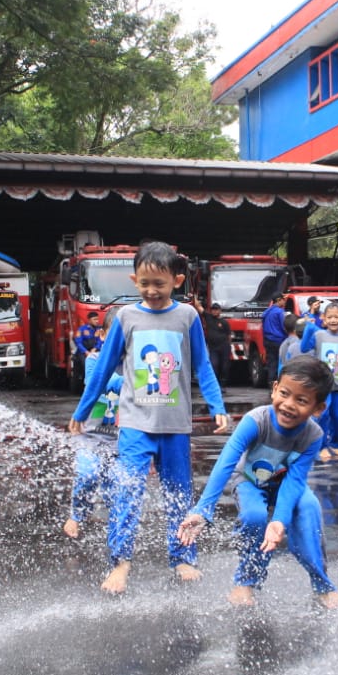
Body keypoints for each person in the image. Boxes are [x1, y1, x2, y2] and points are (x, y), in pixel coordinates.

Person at [69, 241, 230, 595]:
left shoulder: (187, 316)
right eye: (144, 284)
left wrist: (217, 406)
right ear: (134, 279)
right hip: (135, 426)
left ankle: (183, 556)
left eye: (159, 284)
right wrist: (82, 410)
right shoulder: (126, 318)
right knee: (127, 493)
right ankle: (120, 562)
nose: (151, 291)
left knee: (178, 494)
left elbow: (202, 365)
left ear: (177, 279)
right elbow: (103, 368)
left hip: (175, 427)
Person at [178, 356, 338, 609]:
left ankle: (321, 583)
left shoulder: (313, 435)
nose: (289, 405)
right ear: (274, 389)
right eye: (285, 394)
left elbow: (295, 480)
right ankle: (245, 582)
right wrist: (204, 508)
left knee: (309, 509)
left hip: (285, 485)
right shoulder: (257, 420)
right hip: (248, 480)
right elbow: (227, 461)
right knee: (255, 517)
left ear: (318, 408)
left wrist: (279, 520)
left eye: (301, 400)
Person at [63, 372, 124, 539]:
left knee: (117, 489)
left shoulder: (133, 361)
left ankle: (116, 539)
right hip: (88, 438)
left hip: (118, 443)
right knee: (87, 474)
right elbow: (96, 379)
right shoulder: (95, 360)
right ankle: (76, 516)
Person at [300, 300, 338, 460]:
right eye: (329, 317)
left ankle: (336, 444)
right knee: (322, 415)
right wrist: (308, 329)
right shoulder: (319, 335)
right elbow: (303, 348)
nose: (333, 320)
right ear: (324, 318)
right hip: (322, 385)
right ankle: (321, 446)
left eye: (336, 317)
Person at [197, 300, 233, 387]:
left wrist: (228, 347)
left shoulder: (224, 322)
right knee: (214, 365)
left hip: (224, 347)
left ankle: (223, 384)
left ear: (220, 311)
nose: (214, 311)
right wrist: (194, 298)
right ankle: (215, 384)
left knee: (224, 366)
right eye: (213, 309)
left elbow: (229, 336)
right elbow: (199, 308)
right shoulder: (208, 317)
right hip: (213, 348)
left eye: (216, 309)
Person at [261, 293, 287, 380]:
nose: (284, 301)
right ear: (279, 300)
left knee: (271, 364)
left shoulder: (267, 312)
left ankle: (271, 384)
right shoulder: (280, 312)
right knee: (281, 363)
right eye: (283, 299)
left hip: (268, 340)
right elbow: (284, 327)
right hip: (278, 341)